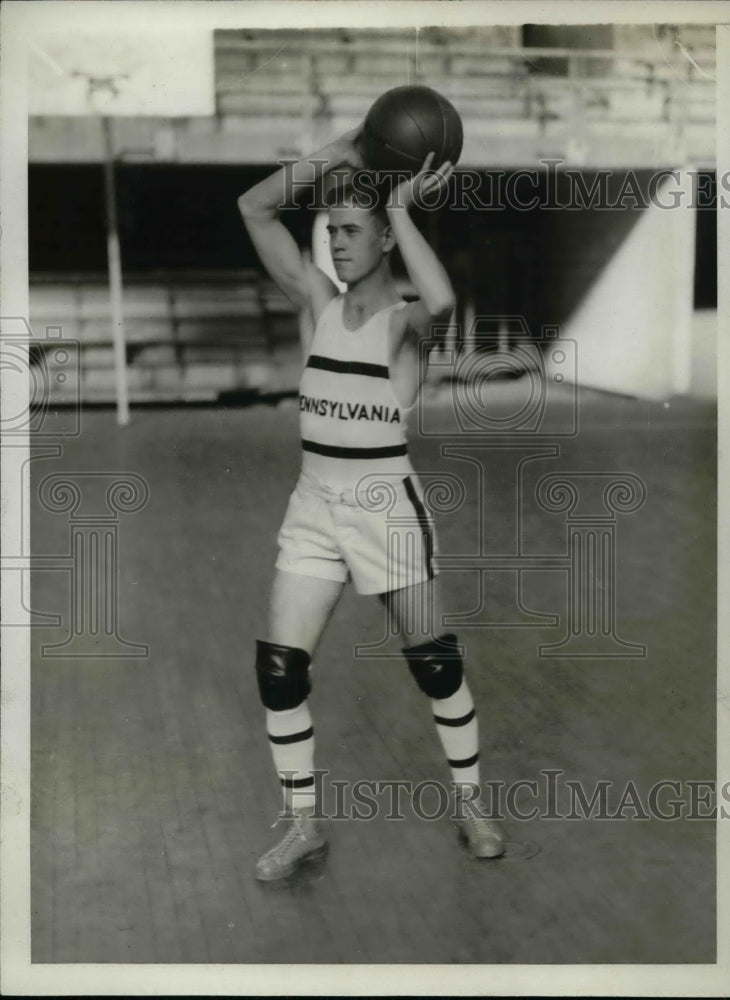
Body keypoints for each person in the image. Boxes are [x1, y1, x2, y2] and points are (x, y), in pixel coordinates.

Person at [237, 126, 505, 882]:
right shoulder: (316, 303)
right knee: (280, 670)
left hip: (386, 508)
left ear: (385, 238)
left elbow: (442, 297)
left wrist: (402, 207)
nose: (338, 243)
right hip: (314, 506)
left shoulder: (405, 325)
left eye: (354, 231)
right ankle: (302, 825)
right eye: (332, 231)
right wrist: (342, 151)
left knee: (435, 666)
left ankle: (472, 804)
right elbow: (253, 207)